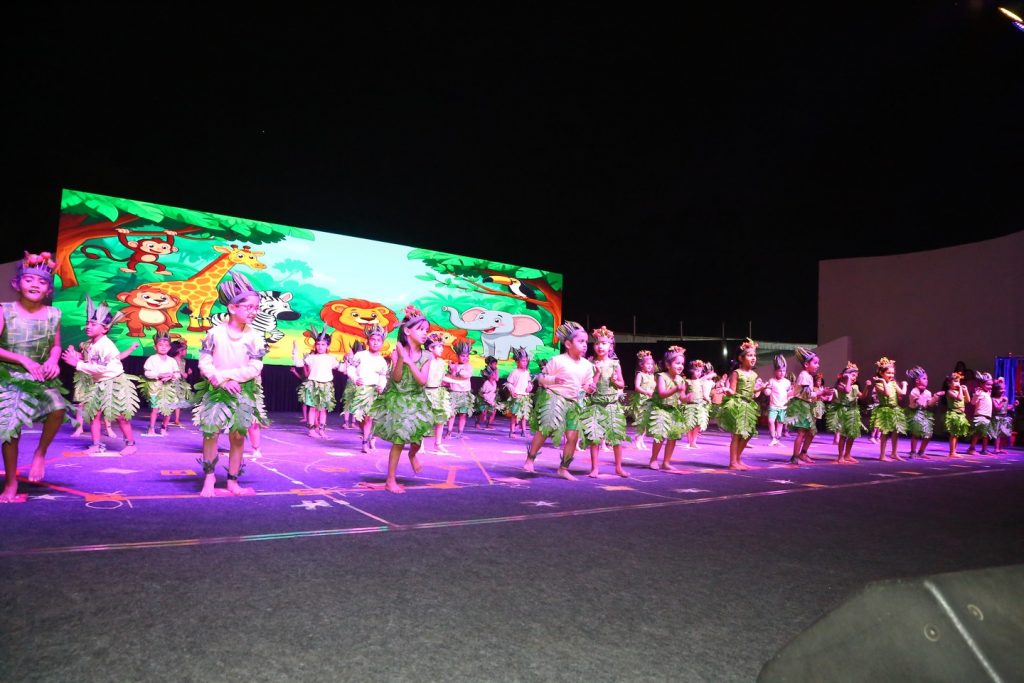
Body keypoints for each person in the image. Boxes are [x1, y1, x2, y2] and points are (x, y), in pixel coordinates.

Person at [192, 272, 269, 497]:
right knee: (211, 433)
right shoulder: (214, 333)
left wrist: (231, 378)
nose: (254, 312)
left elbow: (255, 366)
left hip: (242, 390)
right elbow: (204, 363)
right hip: (217, 388)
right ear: (232, 308)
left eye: (256, 308)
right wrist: (222, 380)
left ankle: (233, 482)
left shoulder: (255, 336)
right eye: (249, 307)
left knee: (237, 436)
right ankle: (209, 478)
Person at [0, 252, 67, 503]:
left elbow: (56, 346)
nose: (35, 285)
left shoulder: (54, 313)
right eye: (29, 279)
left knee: (58, 407)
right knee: (11, 427)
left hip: (39, 377)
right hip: (9, 376)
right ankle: (11, 481)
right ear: (17, 283)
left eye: (41, 282)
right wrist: (23, 360)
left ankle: (40, 453)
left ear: (48, 290)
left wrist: (53, 360)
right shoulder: (4, 310)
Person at [61, 296, 139, 456]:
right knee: (93, 415)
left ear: (104, 329)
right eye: (87, 323)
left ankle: (131, 444)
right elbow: (92, 362)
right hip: (99, 383)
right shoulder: (92, 344)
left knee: (120, 416)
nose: (88, 326)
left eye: (93, 324)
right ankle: (97, 444)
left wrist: (77, 364)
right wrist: (78, 357)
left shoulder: (106, 345)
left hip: (114, 382)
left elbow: (102, 368)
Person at [370, 306, 433, 493]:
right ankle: (390, 480)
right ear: (407, 331)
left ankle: (412, 455)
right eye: (420, 329)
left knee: (417, 440)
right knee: (399, 441)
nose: (425, 333)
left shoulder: (427, 355)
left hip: (417, 400)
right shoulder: (396, 352)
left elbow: (422, 380)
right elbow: (396, 378)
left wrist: (409, 361)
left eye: (426, 330)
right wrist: (400, 359)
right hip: (399, 400)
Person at [524, 321, 596, 480]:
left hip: (573, 402)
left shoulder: (587, 365)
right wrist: (554, 379)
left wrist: (590, 388)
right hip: (555, 398)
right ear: (568, 344)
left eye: (586, 342)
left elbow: (586, 384)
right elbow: (541, 378)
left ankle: (563, 468)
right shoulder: (558, 360)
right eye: (581, 341)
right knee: (546, 430)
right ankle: (530, 459)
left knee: (573, 437)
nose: (585, 345)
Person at [579, 327, 629, 478]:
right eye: (597, 343)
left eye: (604, 343)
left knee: (616, 438)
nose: (600, 346)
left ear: (610, 346)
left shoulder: (615, 364)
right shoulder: (590, 363)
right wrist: (597, 374)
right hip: (595, 405)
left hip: (612, 405)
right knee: (595, 438)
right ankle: (595, 468)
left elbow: (621, 384)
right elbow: (589, 388)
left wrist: (615, 381)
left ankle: (619, 467)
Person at [717, 339, 766, 470]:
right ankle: (733, 462)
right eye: (750, 355)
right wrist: (727, 390)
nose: (753, 358)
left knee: (748, 433)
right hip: (739, 405)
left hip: (749, 406)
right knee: (737, 434)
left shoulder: (754, 374)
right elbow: (733, 390)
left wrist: (760, 388)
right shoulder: (736, 373)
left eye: (754, 355)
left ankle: (737, 459)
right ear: (741, 358)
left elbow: (752, 391)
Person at [785, 347, 832, 465]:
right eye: (815, 363)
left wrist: (822, 394)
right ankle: (795, 457)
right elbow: (807, 394)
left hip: (807, 404)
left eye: (818, 363)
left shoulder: (809, 376)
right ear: (806, 364)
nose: (818, 365)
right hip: (801, 405)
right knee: (802, 432)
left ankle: (803, 453)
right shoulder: (804, 375)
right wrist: (821, 392)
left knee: (812, 431)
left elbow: (809, 395)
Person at [646, 346, 689, 471]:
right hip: (660, 409)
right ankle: (654, 459)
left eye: (682, 364)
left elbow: (682, 397)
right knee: (660, 435)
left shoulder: (681, 380)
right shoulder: (662, 376)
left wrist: (687, 398)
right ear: (668, 364)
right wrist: (676, 388)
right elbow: (662, 393)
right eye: (677, 363)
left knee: (673, 437)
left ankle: (666, 462)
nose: (680, 366)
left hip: (673, 410)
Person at [347, 325, 388, 453]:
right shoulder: (360, 355)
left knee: (369, 418)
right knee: (360, 419)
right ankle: (367, 435)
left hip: (373, 392)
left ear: (382, 343)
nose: (375, 342)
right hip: (361, 391)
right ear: (368, 341)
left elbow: (383, 376)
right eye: (373, 340)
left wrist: (382, 386)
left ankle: (365, 443)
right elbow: (350, 368)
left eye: (378, 340)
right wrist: (355, 378)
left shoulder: (382, 361)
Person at [300, 325, 342, 438]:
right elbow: (299, 363)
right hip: (313, 385)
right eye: (318, 344)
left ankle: (322, 430)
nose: (320, 347)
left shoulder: (331, 358)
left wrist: (349, 363)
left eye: (323, 344)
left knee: (323, 409)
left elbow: (341, 368)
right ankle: (311, 430)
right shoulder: (311, 357)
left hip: (326, 386)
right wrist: (295, 353)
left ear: (328, 346)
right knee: (313, 408)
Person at [142, 332, 183, 436]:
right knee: (155, 409)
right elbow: (147, 373)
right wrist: (159, 375)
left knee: (168, 409)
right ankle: (151, 428)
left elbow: (177, 373)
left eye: (166, 345)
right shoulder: (152, 359)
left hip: (169, 388)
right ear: (155, 347)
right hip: (156, 387)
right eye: (160, 345)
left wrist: (171, 376)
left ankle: (164, 427)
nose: (163, 347)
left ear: (169, 348)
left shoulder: (172, 360)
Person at [870, 357, 908, 461]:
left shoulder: (893, 383)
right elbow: (886, 394)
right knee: (885, 433)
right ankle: (882, 455)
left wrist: (904, 385)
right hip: (885, 410)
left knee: (896, 432)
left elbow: (902, 393)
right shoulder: (878, 384)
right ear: (881, 373)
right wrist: (883, 381)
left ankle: (894, 453)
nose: (891, 375)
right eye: (888, 373)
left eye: (892, 373)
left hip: (895, 409)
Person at [423, 332, 454, 453]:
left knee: (440, 418)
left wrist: (455, 381)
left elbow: (442, 378)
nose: (442, 349)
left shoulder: (441, 362)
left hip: (437, 392)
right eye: (439, 346)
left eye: (442, 346)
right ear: (431, 348)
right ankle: (420, 444)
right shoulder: (424, 361)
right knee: (423, 419)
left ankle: (438, 443)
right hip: (425, 392)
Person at [827, 363, 863, 464]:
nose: (854, 378)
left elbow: (862, 396)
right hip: (844, 411)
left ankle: (848, 455)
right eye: (853, 375)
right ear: (846, 375)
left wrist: (867, 388)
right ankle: (840, 456)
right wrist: (848, 379)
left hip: (853, 411)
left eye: (856, 376)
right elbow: (847, 391)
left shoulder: (855, 387)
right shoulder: (840, 385)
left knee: (852, 434)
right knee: (843, 435)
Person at [905, 366, 940, 459]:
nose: (927, 380)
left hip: (925, 414)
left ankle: (921, 451)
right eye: (924, 378)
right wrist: (930, 400)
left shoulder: (928, 392)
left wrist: (935, 398)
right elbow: (922, 404)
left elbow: (929, 404)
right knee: (916, 433)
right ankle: (913, 452)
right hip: (915, 413)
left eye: (927, 379)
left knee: (928, 434)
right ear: (917, 381)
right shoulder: (914, 391)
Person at [629, 350, 656, 449]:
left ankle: (641, 440)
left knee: (646, 422)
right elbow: (637, 387)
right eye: (647, 364)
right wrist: (646, 392)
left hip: (650, 401)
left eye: (651, 364)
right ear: (642, 365)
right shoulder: (640, 374)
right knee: (641, 421)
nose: (649, 366)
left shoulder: (652, 376)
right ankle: (638, 440)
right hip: (641, 400)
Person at [504, 346, 534, 438]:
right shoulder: (514, 372)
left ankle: (524, 431)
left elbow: (529, 383)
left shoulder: (527, 372)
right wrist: (512, 390)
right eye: (523, 361)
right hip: (517, 396)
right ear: (517, 362)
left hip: (525, 396)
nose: (525, 363)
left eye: (526, 361)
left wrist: (530, 387)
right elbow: (508, 383)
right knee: (514, 414)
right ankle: (512, 431)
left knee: (524, 415)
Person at [681, 359, 711, 449]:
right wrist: (683, 400)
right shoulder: (687, 381)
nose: (699, 373)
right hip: (690, 405)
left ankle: (694, 442)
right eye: (697, 371)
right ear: (691, 370)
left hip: (700, 405)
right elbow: (682, 393)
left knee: (698, 424)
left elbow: (703, 393)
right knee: (690, 424)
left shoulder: (701, 382)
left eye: (700, 371)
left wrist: (707, 399)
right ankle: (690, 441)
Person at [764, 355, 792, 447]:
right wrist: (766, 390)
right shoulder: (772, 381)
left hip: (783, 407)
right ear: (775, 371)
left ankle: (777, 439)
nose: (782, 373)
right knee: (771, 421)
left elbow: (789, 393)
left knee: (780, 423)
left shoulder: (787, 382)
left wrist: (792, 395)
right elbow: (768, 391)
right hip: (773, 406)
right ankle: (773, 437)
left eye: (784, 370)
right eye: (780, 371)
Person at [942, 371, 971, 458]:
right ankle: (952, 452)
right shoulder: (950, 392)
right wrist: (961, 390)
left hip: (960, 415)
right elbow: (959, 398)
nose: (958, 384)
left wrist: (966, 390)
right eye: (955, 381)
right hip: (954, 414)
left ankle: (954, 451)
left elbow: (968, 400)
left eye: (958, 382)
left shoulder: (959, 392)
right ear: (949, 384)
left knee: (956, 434)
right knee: (953, 434)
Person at [967, 372, 995, 455]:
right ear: (981, 384)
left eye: (991, 385)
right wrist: (976, 395)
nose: (990, 387)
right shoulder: (980, 393)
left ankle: (984, 449)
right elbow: (972, 402)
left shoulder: (987, 393)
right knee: (977, 433)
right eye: (988, 385)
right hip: (980, 416)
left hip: (987, 417)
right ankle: (971, 448)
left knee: (985, 434)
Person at [990, 377, 1018, 455]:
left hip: (1004, 417)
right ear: (996, 390)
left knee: (1003, 434)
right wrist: (1002, 402)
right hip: (997, 418)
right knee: (998, 434)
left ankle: (1001, 448)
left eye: (1004, 389)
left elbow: (1006, 408)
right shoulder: (994, 399)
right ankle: (996, 448)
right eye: (1001, 389)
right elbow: (997, 408)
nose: (1003, 390)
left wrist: (1013, 405)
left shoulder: (1004, 398)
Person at [475, 357, 500, 429]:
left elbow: (497, 378)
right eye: (494, 364)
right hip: (484, 396)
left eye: (496, 364)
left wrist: (496, 370)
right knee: (483, 412)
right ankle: (478, 422)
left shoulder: (494, 376)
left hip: (491, 396)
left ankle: (489, 424)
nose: (495, 365)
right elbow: (484, 393)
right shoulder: (486, 372)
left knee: (493, 411)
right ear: (489, 364)